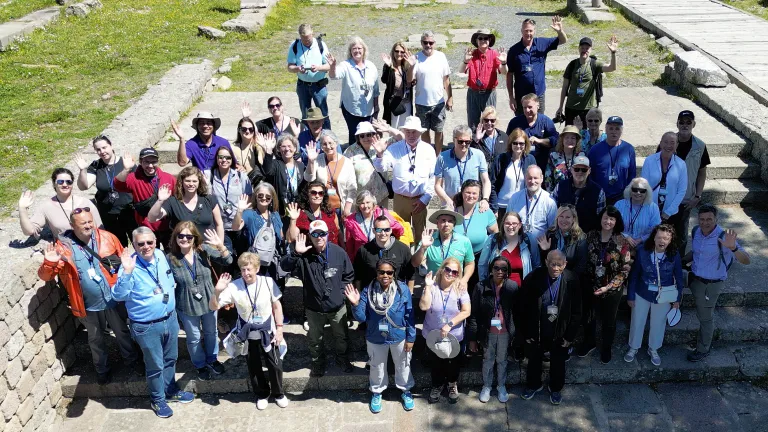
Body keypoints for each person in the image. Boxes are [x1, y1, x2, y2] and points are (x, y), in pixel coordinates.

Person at [38, 209, 139, 385]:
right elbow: (46, 277)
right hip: (87, 305)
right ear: (72, 225)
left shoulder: (108, 237)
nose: (88, 226)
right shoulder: (63, 248)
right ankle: (102, 370)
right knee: (95, 339)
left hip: (113, 299)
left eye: (90, 221)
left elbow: (124, 261)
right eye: (82, 223)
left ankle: (132, 362)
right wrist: (49, 262)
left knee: (123, 332)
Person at [114, 227, 195, 418]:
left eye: (149, 242)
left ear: (155, 241)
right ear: (134, 245)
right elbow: (118, 295)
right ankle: (158, 400)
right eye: (140, 244)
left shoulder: (160, 254)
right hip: (147, 326)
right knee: (155, 366)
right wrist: (126, 273)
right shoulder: (129, 266)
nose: (146, 247)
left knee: (171, 359)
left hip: (170, 318)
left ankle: (171, 391)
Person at [211, 253, 288, 409]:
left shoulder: (267, 282)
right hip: (247, 330)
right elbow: (213, 306)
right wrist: (217, 291)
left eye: (249, 269)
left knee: (275, 363)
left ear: (257, 268)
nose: (246, 273)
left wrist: (279, 329)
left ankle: (279, 393)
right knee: (253, 365)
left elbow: (277, 306)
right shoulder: (234, 286)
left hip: (268, 328)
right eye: (243, 269)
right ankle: (262, 394)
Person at [280, 224, 355, 377]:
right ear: (310, 236)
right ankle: (318, 363)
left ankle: (342, 359)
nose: (319, 237)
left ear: (328, 234)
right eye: (315, 234)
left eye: (322, 233)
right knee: (315, 339)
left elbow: (348, 275)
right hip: (313, 308)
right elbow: (284, 267)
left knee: (342, 337)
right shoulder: (304, 254)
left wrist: (340, 294)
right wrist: (295, 253)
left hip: (337, 307)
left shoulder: (339, 252)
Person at [346, 259, 416, 414]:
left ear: (394, 274)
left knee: (403, 364)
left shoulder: (402, 289)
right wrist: (356, 304)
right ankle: (377, 392)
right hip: (375, 336)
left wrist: (411, 337)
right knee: (377, 366)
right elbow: (362, 318)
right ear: (376, 273)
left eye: (389, 272)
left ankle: (405, 390)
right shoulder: (368, 291)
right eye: (381, 272)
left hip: (398, 335)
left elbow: (410, 315)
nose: (385, 275)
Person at [685, 204, 750, 362]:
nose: (705, 222)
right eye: (702, 219)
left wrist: (733, 248)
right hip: (694, 277)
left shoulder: (724, 237)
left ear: (716, 219)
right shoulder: (696, 231)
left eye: (709, 219)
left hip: (710, 285)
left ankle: (703, 349)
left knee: (705, 317)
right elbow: (696, 252)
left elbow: (746, 260)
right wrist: (681, 261)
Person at [167, 222, 231, 381]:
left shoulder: (203, 250)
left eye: (189, 236)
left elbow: (228, 261)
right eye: (180, 236)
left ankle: (212, 359)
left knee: (211, 332)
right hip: (186, 303)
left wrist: (220, 246)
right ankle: (200, 365)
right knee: (194, 337)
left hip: (209, 299)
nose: (184, 239)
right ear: (175, 238)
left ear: (195, 238)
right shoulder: (170, 258)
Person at [477, 211, 540, 362]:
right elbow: (483, 264)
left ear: (520, 225)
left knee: (519, 320)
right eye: (507, 223)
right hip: (499, 288)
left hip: (521, 289)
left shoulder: (527, 239)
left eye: (514, 223)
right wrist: (485, 286)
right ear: (502, 224)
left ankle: (517, 347)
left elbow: (537, 263)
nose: (510, 226)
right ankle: (500, 349)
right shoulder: (493, 240)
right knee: (501, 319)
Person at [520, 249, 580, 405]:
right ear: (546, 262)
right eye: (552, 264)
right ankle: (534, 385)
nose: (555, 268)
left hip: (560, 331)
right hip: (537, 328)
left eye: (559, 265)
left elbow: (577, 312)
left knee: (558, 362)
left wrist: (569, 337)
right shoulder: (533, 278)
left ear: (565, 264)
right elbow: (522, 307)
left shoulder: (572, 280)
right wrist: (526, 332)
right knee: (534, 359)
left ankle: (555, 389)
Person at [577, 206, 632, 363]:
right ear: (600, 218)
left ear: (616, 222)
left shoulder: (622, 241)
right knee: (589, 317)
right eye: (605, 217)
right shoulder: (590, 236)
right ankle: (589, 342)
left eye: (612, 219)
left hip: (612, 288)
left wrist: (609, 286)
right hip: (590, 284)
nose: (608, 221)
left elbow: (626, 269)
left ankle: (606, 347)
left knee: (609, 320)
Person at [625, 224, 684, 367]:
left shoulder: (674, 254)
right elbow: (634, 275)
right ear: (654, 237)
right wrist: (631, 295)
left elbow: (679, 277)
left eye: (666, 238)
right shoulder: (642, 251)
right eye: (659, 237)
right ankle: (633, 347)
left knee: (659, 323)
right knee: (637, 320)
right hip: (642, 292)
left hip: (664, 294)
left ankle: (654, 348)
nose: (662, 240)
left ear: (671, 240)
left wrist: (677, 298)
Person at [372, 116, 437, 242]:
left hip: (421, 199)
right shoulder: (394, 148)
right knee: (401, 234)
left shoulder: (428, 150)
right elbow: (382, 167)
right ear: (404, 132)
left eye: (414, 132)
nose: (411, 135)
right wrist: (379, 155)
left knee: (420, 234)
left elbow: (433, 176)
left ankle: (419, 258)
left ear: (420, 132)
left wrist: (425, 199)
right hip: (400, 199)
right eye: (408, 132)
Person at [467, 256, 519, 403]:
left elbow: (518, 312)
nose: (500, 271)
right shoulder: (481, 287)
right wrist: (472, 337)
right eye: (496, 268)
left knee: (502, 360)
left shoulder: (512, 287)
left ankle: (501, 386)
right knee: (488, 359)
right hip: (488, 332)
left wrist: (516, 332)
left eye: (504, 268)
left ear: (508, 271)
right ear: (491, 269)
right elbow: (474, 313)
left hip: (505, 332)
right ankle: (487, 386)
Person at [420, 257, 471, 404]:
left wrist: (450, 324)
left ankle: (452, 385)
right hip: (433, 334)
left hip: (454, 335)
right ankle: (436, 385)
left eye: (455, 272)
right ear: (442, 270)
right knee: (436, 363)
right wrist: (428, 287)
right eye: (448, 269)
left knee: (453, 363)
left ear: (458, 275)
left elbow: (466, 311)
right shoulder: (432, 287)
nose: (450, 273)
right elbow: (424, 306)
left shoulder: (460, 289)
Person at [74, 135, 136, 246]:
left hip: (129, 211)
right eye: (98, 149)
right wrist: (82, 170)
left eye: (104, 147)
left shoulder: (125, 162)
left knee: (138, 242)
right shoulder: (96, 166)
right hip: (109, 214)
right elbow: (84, 186)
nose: (102, 151)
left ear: (111, 146)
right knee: (118, 247)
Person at [113, 148, 177, 248]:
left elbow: (177, 199)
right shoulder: (133, 178)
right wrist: (126, 170)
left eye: (153, 162)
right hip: (146, 228)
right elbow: (118, 185)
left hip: (167, 226)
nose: (150, 165)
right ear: (140, 162)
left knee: (172, 256)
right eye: (146, 162)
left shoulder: (168, 178)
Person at [19, 167, 104, 239]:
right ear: (54, 184)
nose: (65, 184)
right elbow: (29, 231)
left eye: (68, 182)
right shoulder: (47, 207)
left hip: (91, 248)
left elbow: (101, 230)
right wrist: (22, 209)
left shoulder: (85, 203)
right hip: (66, 252)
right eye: (60, 182)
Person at [147, 166, 225, 243]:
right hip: (183, 248)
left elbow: (219, 224)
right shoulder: (173, 201)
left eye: (194, 181)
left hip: (208, 247)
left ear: (199, 182)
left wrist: (220, 244)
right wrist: (160, 201)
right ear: (182, 182)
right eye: (187, 181)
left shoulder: (209, 199)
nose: (191, 184)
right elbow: (152, 218)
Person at [507, 16, 567, 115]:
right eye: (526, 31)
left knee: (539, 122)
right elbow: (509, 74)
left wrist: (560, 31)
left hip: (538, 94)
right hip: (521, 96)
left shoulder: (542, 43)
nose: (528, 33)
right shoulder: (514, 50)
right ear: (521, 31)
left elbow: (563, 40)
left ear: (534, 31)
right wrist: (511, 97)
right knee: (521, 125)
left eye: (530, 31)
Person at [328, 36, 380, 146]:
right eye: (354, 49)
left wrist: (376, 106)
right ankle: (353, 157)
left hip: (368, 109)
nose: (357, 51)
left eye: (359, 48)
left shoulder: (371, 66)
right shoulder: (346, 65)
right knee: (355, 135)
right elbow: (334, 76)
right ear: (350, 51)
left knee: (367, 134)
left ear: (364, 50)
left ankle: (367, 155)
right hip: (351, 108)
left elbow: (376, 88)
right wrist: (332, 66)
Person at [555, 36, 618, 126]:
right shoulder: (572, 65)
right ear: (579, 49)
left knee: (588, 137)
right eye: (582, 48)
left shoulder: (595, 64)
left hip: (589, 109)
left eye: (587, 48)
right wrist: (560, 107)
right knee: (571, 136)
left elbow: (612, 68)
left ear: (591, 50)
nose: (584, 50)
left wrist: (613, 53)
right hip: (571, 107)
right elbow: (564, 87)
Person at [406, 30, 453, 154]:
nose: (428, 45)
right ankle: (429, 155)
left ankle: (437, 155)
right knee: (425, 131)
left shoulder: (441, 56)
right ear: (421, 43)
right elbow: (410, 79)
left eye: (431, 43)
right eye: (425, 42)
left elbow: (446, 79)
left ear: (434, 43)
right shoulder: (416, 58)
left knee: (439, 130)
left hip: (438, 102)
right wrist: (410, 66)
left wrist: (450, 98)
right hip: (422, 102)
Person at [204, 146, 254, 255]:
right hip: (220, 226)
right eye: (221, 157)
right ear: (216, 159)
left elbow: (249, 197)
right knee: (226, 258)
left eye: (228, 158)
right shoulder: (210, 175)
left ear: (232, 160)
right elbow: (207, 198)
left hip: (239, 224)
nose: (224, 160)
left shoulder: (240, 175)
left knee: (242, 257)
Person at [673, 110, 710, 255]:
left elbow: (702, 172)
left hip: (686, 198)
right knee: (663, 231)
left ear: (694, 124)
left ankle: (679, 265)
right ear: (677, 123)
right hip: (667, 196)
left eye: (689, 122)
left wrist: (698, 196)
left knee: (681, 234)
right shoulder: (668, 141)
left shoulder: (700, 146)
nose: (685, 125)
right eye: (682, 122)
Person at [233, 183, 286, 279]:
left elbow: (281, 237)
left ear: (272, 199)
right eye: (260, 195)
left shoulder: (275, 215)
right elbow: (236, 227)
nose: (264, 198)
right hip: (254, 263)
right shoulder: (249, 214)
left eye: (268, 197)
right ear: (256, 196)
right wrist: (239, 210)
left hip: (272, 262)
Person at [453, 180, 498, 289]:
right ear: (462, 193)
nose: (471, 196)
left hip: (479, 258)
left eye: (474, 193)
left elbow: (496, 233)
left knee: (476, 289)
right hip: (457, 258)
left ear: (479, 196)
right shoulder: (453, 211)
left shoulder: (485, 211)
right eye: (468, 192)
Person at [412, 210, 475, 288]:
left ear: (454, 224)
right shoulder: (428, 239)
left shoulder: (464, 241)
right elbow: (415, 263)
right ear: (437, 223)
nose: (446, 224)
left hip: (456, 286)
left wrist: (464, 280)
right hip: (433, 285)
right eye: (443, 221)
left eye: (450, 221)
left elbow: (470, 264)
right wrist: (423, 247)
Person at [434, 125, 492, 208]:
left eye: (467, 142)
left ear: (471, 140)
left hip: (472, 203)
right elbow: (437, 185)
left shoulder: (478, 155)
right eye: (460, 141)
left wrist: (485, 199)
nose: (464, 144)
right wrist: (447, 200)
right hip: (451, 204)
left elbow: (485, 180)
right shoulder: (442, 157)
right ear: (454, 140)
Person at [460, 29, 508, 129]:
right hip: (473, 94)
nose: (483, 40)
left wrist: (504, 63)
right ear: (476, 41)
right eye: (480, 38)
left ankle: (488, 143)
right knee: (473, 124)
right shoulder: (471, 54)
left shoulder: (494, 54)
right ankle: (474, 143)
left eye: (485, 38)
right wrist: (465, 61)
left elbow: (504, 72)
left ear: (489, 40)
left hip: (489, 93)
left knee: (489, 123)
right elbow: (461, 71)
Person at [304, 130, 358, 219]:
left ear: (336, 143)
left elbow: (353, 188)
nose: (328, 146)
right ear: (321, 146)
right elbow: (309, 178)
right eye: (324, 144)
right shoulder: (318, 159)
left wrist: (347, 208)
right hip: (322, 207)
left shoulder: (347, 163)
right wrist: (311, 161)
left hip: (341, 208)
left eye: (330, 143)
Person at [287, 23, 331, 129]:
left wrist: (318, 68)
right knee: (305, 115)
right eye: (304, 39)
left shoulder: (321, 44)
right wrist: (297, 69)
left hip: (318, 86)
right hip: (302, 85)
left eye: (308, 38)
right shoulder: (295, 46)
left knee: (323, 113)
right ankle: (307, 137)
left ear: (313, 34)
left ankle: (327, 138)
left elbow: (329, 66)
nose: (306, 41)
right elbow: (289, 67)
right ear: (300, 36)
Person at [354, 215, 414, 292]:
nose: (383, 233)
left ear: (391, 230)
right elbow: (358, 276)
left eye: (386, 230)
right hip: (371, 294)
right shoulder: (364, 250)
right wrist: (358, 296)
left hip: (397, 295)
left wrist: (409, 295)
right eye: (379, 230)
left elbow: (411, 275)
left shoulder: (403, 249)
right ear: (373, 231)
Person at [587, 115, 636, 205]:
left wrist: (628, 193)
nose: (614, 132)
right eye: (611, 128)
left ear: (621, 130)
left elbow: (632, 174)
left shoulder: (629, 149)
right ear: (606, 129)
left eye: (617, 129)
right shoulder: (595, 150)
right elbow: (589, 174)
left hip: (621, 197)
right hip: (600, 196)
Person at [551, 155, 606, 233]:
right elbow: (552, 212)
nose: (580, 172)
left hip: (587, 236)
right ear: (571, 170)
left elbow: (601, 219)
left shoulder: (598, 191)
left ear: (589, 171)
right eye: (577, 169)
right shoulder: (560, 186)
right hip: (562, 235)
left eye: (584, 170)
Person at [641, 132, 687, 224]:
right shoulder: (649, 160)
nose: (668, 145)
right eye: (666, 142)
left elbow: (682, 190)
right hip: (650, 210)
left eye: (672, 142)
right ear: (661, 143)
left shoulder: (681, 164)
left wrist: (668, 212)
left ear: (677, 145)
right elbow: (643, 185)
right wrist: (648, 208)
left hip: (670, 214)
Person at [493, 128, 537, 222]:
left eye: (521, 143)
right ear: (510, 143)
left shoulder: (530, 159)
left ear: (526, 144)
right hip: (502, 206)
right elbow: (492, 184)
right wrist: (494, 208)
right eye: (515, 143)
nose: (518, 146)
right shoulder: (501, 159)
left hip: (522, 206)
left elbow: (535, 182)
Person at [344, 190, 404, 261]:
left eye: (368, 202)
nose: (365, 206)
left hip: (383, 255)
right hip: (362, 258)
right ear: (358, 205)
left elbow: (399, 229)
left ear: (373, 203)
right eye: (362, 203)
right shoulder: (351, 221)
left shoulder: (381, 213)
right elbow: (349, 246)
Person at [505, 94, 559, 170]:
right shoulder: (515, 123)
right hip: (520, 163)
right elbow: (507, 142)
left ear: (538, 106)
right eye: (524, 108)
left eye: (530, 107)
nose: (527, 110)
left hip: (541, 163)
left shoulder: (546, 122)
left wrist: (540, 141)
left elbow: (555, 140)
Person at [343, 122, 390, 208]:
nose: (366, 138)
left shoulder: (381, 144)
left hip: (381, 197)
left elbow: (401, 138)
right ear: (358, 137)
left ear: (373, 134)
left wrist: (389, 129)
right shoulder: (350, 151)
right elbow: (346, 175)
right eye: (362, 135)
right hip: (362, 200)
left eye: (368, 134)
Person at [506, 165, 557, 241]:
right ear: (525, 179)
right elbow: (507, 221)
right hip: (517, 244)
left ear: (542, 178)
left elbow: (553, 228)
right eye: (529, 178)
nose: (532, 181)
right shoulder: (515, 198)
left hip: (540, 246)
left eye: (535, 178)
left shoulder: (549, 201)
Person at [536, 205, 588, 279]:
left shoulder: (580, 238)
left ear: (573, 219)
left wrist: (567, 280)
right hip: (550, 278)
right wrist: (545, 250)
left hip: (570, 280)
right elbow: (544, 262)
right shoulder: (550, 234)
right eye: (561, 216)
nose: (563, 220)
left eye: (567, 217)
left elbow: (581, 265)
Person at [263, 134, 306, 216]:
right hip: (281, 208)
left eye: (290, 146)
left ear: (295, 148)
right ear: (279, 149)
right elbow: (268, 172)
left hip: (298, 206)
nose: (287, 149)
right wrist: (268, 151)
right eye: (283, 146)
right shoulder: (276, 164)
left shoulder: (300, 165)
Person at [288, 181, 341, 247]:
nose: (317, 196)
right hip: (310, 254)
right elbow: (291, 239)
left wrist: (344, 250)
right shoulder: (300, 214)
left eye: (321, 193)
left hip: (331, 252)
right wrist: (293, 220)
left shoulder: (330, 213)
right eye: (313, 193)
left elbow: (338, 232)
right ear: (307, 194)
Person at [614, 178, 662, 247]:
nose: (638, 193)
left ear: (647, 192)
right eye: (635, 190)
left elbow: (656, 229)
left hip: (644, 244)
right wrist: (625, 236)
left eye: (642, 191)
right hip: (620, 242)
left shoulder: (653, 208)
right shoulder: (619, 205)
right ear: (630, 190)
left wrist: (641, 239)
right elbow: (612, 225)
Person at [380, 42, 414, 128]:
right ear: (393, 52)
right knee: (394, 127)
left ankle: (404, 141)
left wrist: (412, 66)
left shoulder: (407, 65)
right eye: (397, 51)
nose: (399, 54)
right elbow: (384, 80)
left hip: (406, 101)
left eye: (402, 52)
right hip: (394, 101)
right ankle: (394, 142)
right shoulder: (388, 65)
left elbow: (412, 81)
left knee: (406, 126)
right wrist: (388, 67)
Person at [543, 125, 586, 192]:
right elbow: (548, 178)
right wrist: (551, 195)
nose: (570, 140)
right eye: (567, 138)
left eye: (573, 138)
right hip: (558, 195)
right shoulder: (553, 156)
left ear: (577, 141)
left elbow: (585, 177)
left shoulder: (582, 156)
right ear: (562, 140)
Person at [229, 116, 266, 185]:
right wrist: (236, 167)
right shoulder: (233, 147)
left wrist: (264, 148)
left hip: (256, 184)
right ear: (239, 130)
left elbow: (263, 164)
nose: (247, 131)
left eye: (251, 129)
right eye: (244, 129)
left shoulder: (258, 146)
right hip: (239, 183)